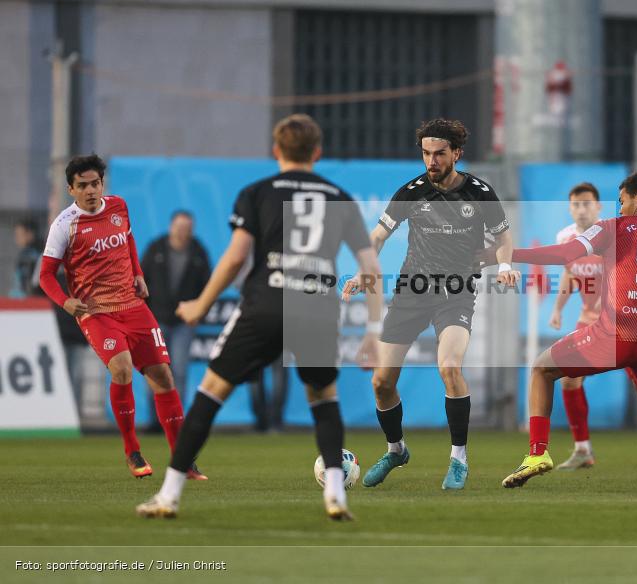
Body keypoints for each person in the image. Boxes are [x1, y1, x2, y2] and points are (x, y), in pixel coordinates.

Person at [136, 114, 382, 521]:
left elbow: (235, 258)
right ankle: (336, 494)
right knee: (323, 398)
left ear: (276, 151)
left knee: (211, 391)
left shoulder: (257, 192)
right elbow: (370, 270)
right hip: (317, 309)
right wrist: (373, 331)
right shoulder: (340, 197)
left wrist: (199, 304)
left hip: (265, 303)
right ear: (317, 153)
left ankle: (169, 495)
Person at [498, 170, 637, 490]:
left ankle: (537, 454)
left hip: (615, 334)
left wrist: (509, 255)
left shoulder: (613, 228)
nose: (620, 206)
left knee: (542, 369)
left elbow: (564, 254)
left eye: (622, 200)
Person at [342, 118, 519, 491]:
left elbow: (504, 237)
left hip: (456, 292)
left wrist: (505, 264)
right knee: (381, 381)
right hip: (411, 292)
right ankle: (396, 450)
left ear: (457, 153)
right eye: (426, 153)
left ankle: (458, 458)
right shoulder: (411, 191)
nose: (431, 161)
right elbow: (378, 236)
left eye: (439, 153)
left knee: (449, 367)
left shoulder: (480, 193)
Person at [39, 154, 204, 480]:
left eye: (95, 183)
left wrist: (139, 274)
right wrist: (65, 302)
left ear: (103, 184)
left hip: (133, 306)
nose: (90, 191)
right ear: (71, 189)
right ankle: (132, 449)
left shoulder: (118, 207)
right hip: (95, 311)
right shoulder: (64, 225)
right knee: (122, 368)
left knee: (164, 377)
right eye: (83, 185)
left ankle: (181, 461)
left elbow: (127, 241)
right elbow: (45, 275)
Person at [547, 183, 604, 470]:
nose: (581, 209)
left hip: (620, 322)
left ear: (598, 207)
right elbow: (569, 275)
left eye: (587, 203)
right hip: (587, 322)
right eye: (576, 204)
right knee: (569, 378)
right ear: (570, 208)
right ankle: (582, 449)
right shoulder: (565, 237)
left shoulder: (611, 237)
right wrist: (558, 309)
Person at [141, 210, 211, 431]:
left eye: (187, 228)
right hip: (156, 319)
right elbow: (140, 281)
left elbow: (207, 286)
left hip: (183, 322)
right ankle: (155, 421)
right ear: (172, 226)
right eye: (180, 227)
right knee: (155, 370)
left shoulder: (198, 252)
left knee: (179, 372)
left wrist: (198, 312)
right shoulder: (156, 249)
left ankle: (175, 421)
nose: (183, 232)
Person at [11, 218, 42, 297]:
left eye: (19, 235)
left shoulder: (30, 256)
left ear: (30, 235)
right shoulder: (23, 255)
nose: (16, 239)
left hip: (29, 301)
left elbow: (26, 284)